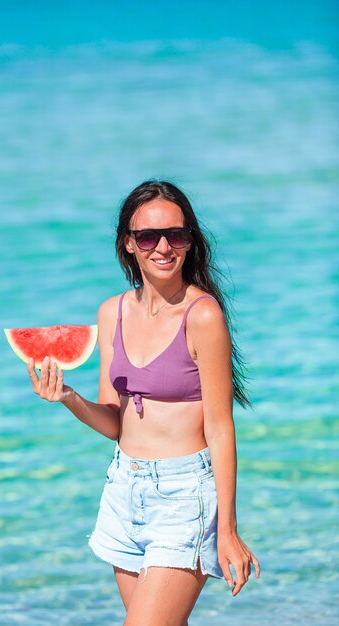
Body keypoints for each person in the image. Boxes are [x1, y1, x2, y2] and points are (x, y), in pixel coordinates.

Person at [27, 180, 260, 626]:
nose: (164, 247)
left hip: (184, 496)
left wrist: (227, 530)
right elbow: (115, 422)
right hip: (122, 490)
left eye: (176, 234)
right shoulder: (111, 313)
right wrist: (67, 398)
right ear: (128, 244)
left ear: (191, 241)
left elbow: (220, 428)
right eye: (149, 237)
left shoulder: (203, 315)